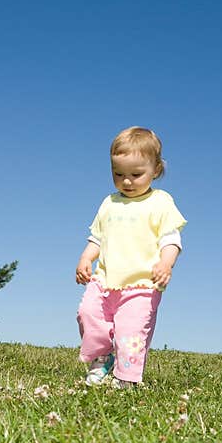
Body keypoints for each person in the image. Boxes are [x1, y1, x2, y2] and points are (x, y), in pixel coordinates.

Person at [75, 126, 187, 389]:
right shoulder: (109, 203)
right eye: (118, 174)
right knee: (87, 314)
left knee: (131, 331)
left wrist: (165, 263)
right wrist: (85, 259)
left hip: (142, 284)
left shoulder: (160, 202)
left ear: (156, 170)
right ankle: (102, 359)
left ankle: (126, 378)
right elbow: (97, 239)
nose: (127, 181)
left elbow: (171, 239)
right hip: (104, 280)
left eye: (136, 174)